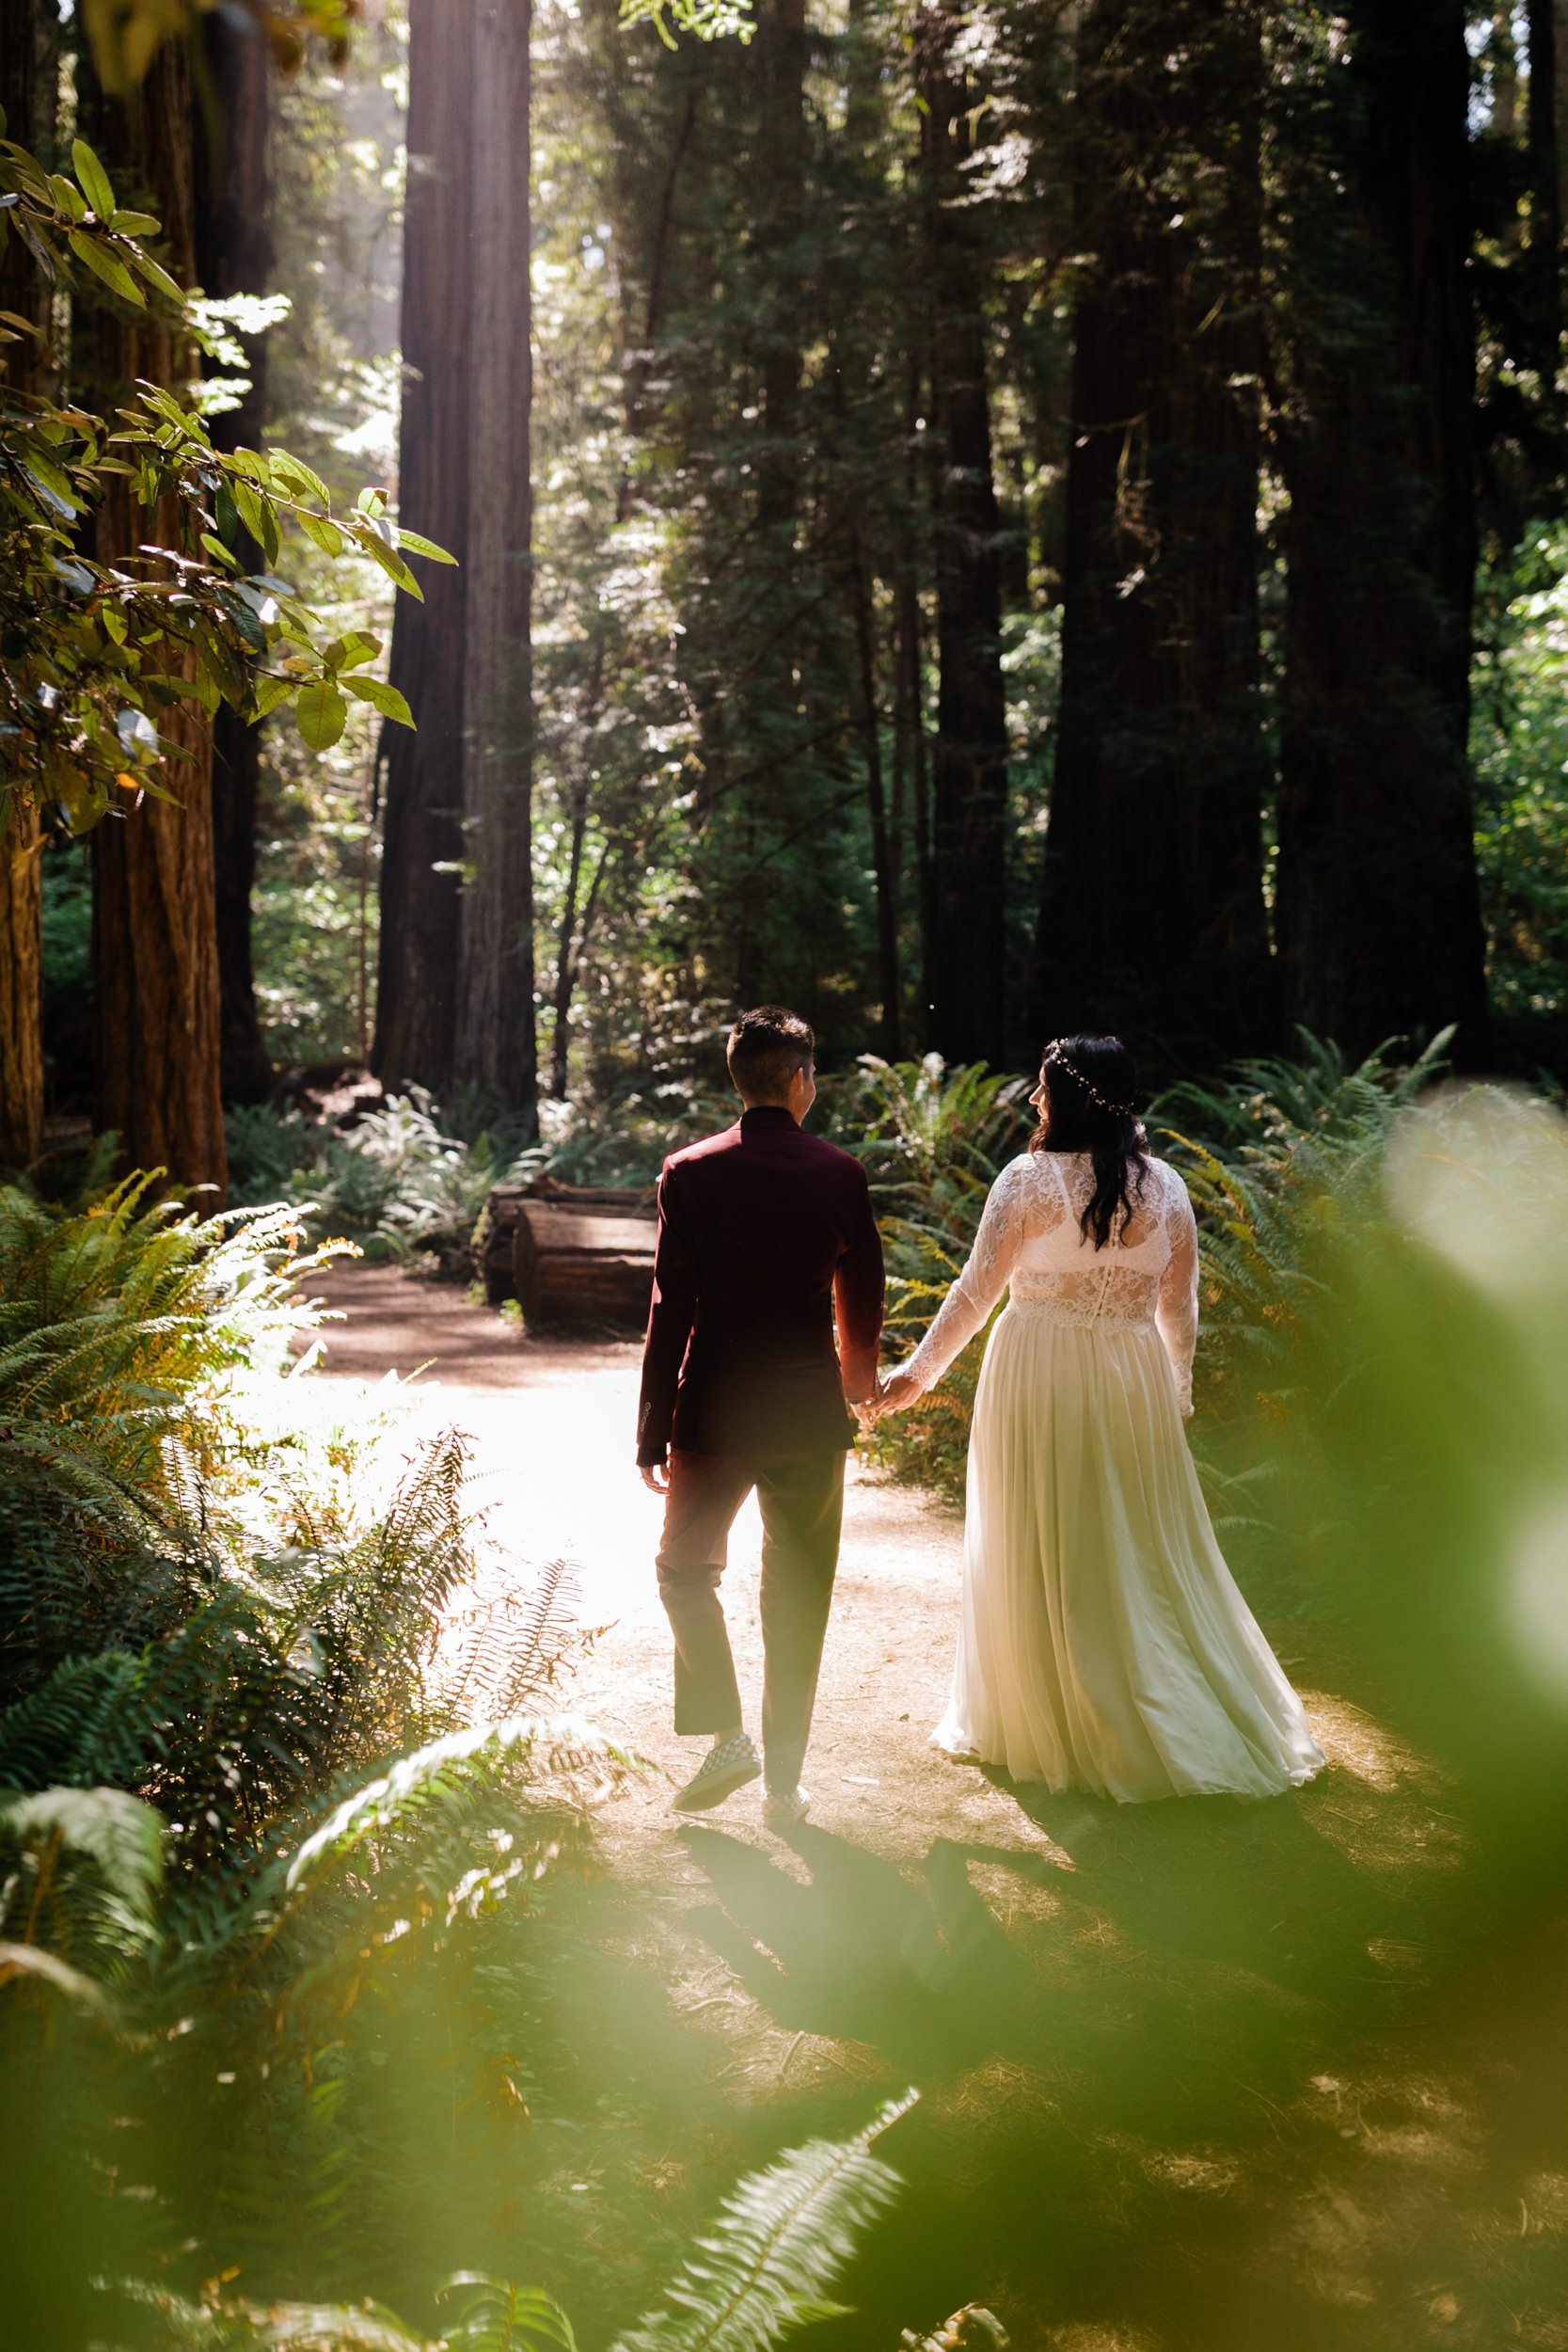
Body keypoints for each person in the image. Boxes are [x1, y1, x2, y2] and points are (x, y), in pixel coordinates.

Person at [875, 1034, 1323, 1803]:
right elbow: (1177, 1312)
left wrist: (918, 1374)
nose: (1034, 1098)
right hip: (1132, 1375)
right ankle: (1144, 1700)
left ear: (1068, 1095)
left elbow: (975, 1292)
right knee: (1134, 1537)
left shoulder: (1025, 1180)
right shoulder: (1170, 1189)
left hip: (1039, 1370)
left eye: (1043, 1086)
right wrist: (1173, 1393)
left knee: (1042, 1525)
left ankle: (1055, 1711)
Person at [638, 1006, 884, 1826]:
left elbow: (670, 1308)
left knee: (682, 1570)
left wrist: (649, 1425)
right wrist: (857, 1389)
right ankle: (783, 1782)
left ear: (738, 1081)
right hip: (810, 1415)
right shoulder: (840, 1174)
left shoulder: (689, 1173)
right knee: (798, 1590)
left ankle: (726, 1733)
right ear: (802, 1080)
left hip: (711, 1409)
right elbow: (864, 1301)